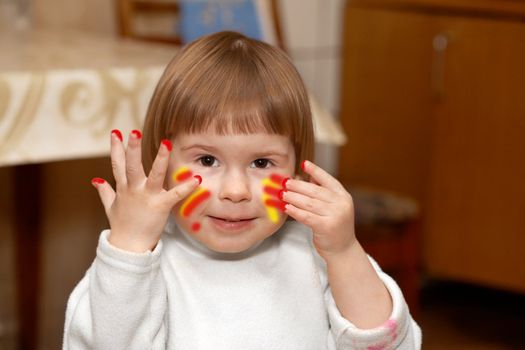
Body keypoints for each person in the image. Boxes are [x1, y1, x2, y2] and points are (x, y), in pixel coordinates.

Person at [63, 31, 422, 349]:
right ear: (163, 161)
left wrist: (344, 251)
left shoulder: (320, 257)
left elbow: (389, 344)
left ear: (297, 169)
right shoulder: (138, 268)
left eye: (262, 163)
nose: (236, 191)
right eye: (206, 160)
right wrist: (127, 251)